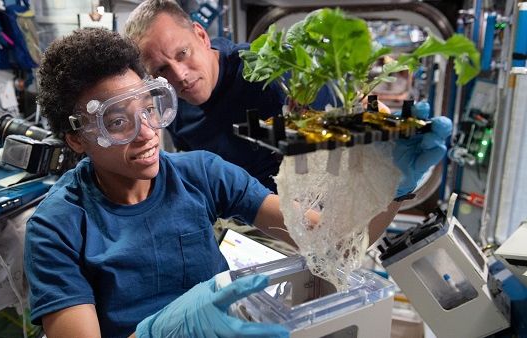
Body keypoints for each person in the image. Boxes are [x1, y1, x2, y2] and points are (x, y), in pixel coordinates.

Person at [25, 27, 404, 338]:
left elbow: (332, 245)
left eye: (149, 109)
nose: (147, 134)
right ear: (76, 139)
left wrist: (395, 187)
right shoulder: (56, 227)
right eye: (118, 122)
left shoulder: (201, 174)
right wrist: (162, 332)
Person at [124, 0, 338, 193]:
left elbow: (336, 155)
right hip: (234, 220)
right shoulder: (170, 107)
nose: (180, 75)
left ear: (201, 35)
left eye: (182, 53)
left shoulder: (269, 73)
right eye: (162, 69)